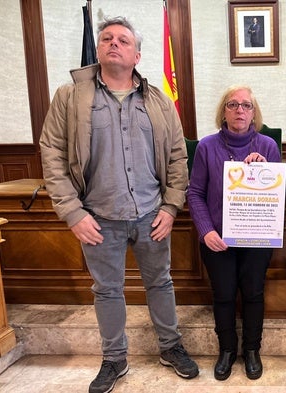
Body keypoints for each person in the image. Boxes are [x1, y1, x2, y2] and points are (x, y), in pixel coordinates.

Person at [39, 16, 199, 393]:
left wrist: (170, 207)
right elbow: (52, 155)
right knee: (107, 290)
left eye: (123, 40)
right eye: (107, 38)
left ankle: (170, 347)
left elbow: (178, 157)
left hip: (151, 215)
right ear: (98, 50)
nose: (114, 43)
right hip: (98, 218)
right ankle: (114, 359)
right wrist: (73, 213)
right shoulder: (70, 96)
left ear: (137, 54)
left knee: (160, 282)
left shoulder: (159, 100)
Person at [187, 85, 281, 381]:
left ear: (254, 113)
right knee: (224, 295)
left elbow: (279, 195)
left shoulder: (267, 146)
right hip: (218, 239)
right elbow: (195, 193)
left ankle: (252, 350)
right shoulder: (206, 146)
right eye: (233, 105)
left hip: (257, 238)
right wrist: (205, 231)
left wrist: (266, 173)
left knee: (253, 293)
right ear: (223, 112)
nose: (240, 110)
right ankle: (227, 349)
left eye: (246, 105)